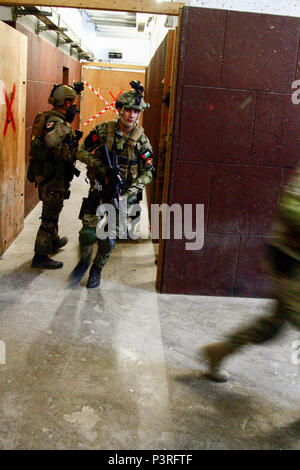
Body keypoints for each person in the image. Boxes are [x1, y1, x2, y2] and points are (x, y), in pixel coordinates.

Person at [201, 164, 300, 382]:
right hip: (292, 262)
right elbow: (291, 207)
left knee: (272, 327)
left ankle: (220, 350)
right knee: (273, 325)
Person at [70, 81, 153, 288]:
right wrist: (98, 165)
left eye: (136, 112)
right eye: (128, 110)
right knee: (87, 234)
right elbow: (81, 151)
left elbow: (148, 172)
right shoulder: (103, 130)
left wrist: (132, 192)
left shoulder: (141, 140)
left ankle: (96, 269)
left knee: (108, 240)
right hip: (99, 189)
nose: (131, 115)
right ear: (120, 110)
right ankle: (84, 260)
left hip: (122, 195)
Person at [27, 83, 82, 269]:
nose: (73, 106)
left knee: (54, 209)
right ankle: (40, 256)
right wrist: (70, 140)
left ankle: (53, 241)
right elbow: (54, 146)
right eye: (71, 102)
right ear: (65, 103)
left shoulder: (49, 118)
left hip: (47, 174)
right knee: (49, 216)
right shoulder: (56, 122)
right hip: (52, 176)